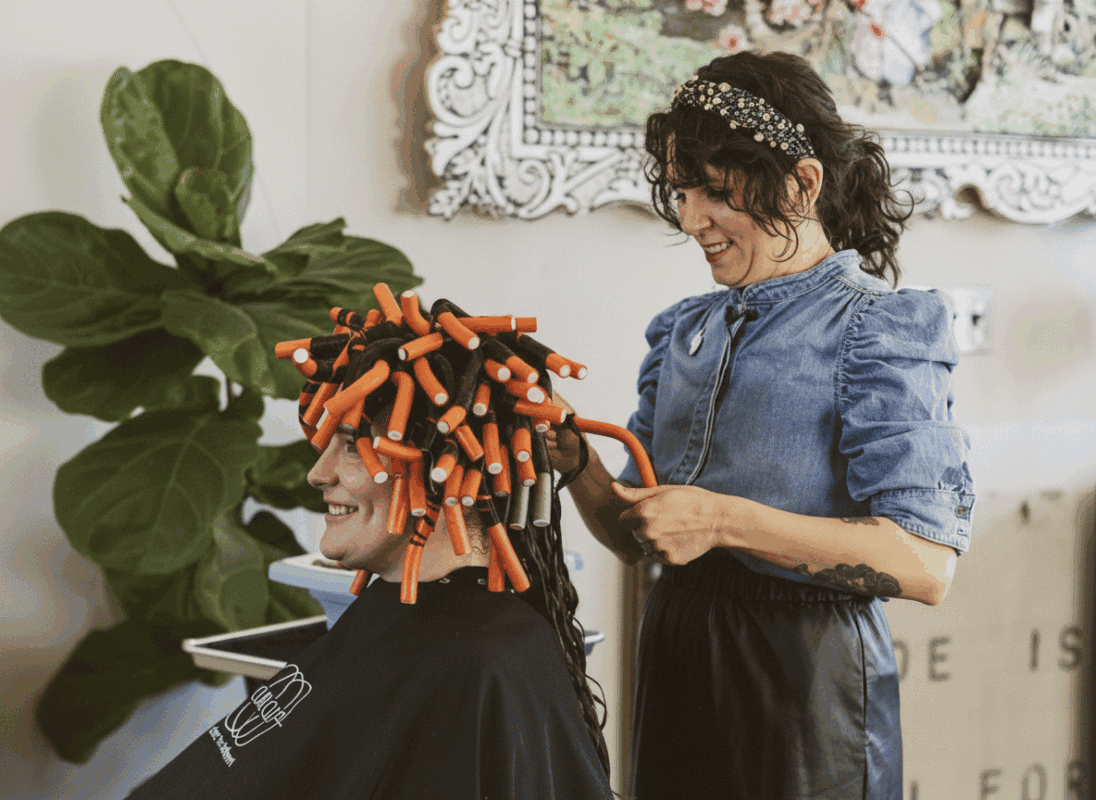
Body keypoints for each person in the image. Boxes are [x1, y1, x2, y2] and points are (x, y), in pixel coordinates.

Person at [547, 51, 975, 800]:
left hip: (806, 685)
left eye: (714, 191)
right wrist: (577, 462)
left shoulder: (877, 327)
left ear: (803, 183)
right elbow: (634, 534)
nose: (690, 218)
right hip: (678, 652)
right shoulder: (682, 331)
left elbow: (925, 564)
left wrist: (721, 519)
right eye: (682, 191)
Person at [125, 291, 612, 800]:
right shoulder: (399, 611)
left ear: (440, 466)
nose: (318, 474)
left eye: (353, 449)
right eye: (328, 444)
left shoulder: (480, 664)